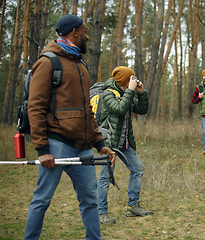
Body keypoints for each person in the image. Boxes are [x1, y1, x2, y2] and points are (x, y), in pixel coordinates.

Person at [25, 15, 115, 240]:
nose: (87, 35)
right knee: (42, 200)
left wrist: (99, 143)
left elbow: (87, 110)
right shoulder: (48, 62)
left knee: (89, 202)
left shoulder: (81, 65)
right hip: (56, 145)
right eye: (84, 31)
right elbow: (35, 108)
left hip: (83, 147)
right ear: (74, 32)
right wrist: (42, 150)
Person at [97, 66, 153, 224]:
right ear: (125, 80)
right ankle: (101, 213)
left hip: (124, 143)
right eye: (132, 78)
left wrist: (141, 93)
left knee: (138, 169)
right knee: (106, 177)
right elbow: (120, 109)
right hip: (109, 144)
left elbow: (142, 110)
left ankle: (133, 206)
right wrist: (130, 90)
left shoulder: (125, 93)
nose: (134, 80)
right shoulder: (108, 94)